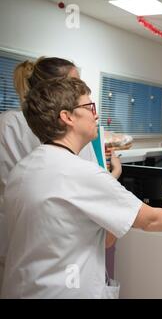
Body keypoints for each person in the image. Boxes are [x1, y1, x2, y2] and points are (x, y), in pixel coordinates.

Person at [1, 78, 162, 298]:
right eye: (89, 107)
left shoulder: (23, 169)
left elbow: (95, 236)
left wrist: (114, 188)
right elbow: (150, 219)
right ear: (67, 117)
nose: (95, 114)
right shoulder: (80, 172)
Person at [0, 57, 122, 293]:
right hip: (66, 247)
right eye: (75, 83)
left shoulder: (7, 123)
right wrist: (114, 173)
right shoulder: (71, 129)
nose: (80, 91)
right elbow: (93, 188)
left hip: (16, 242)